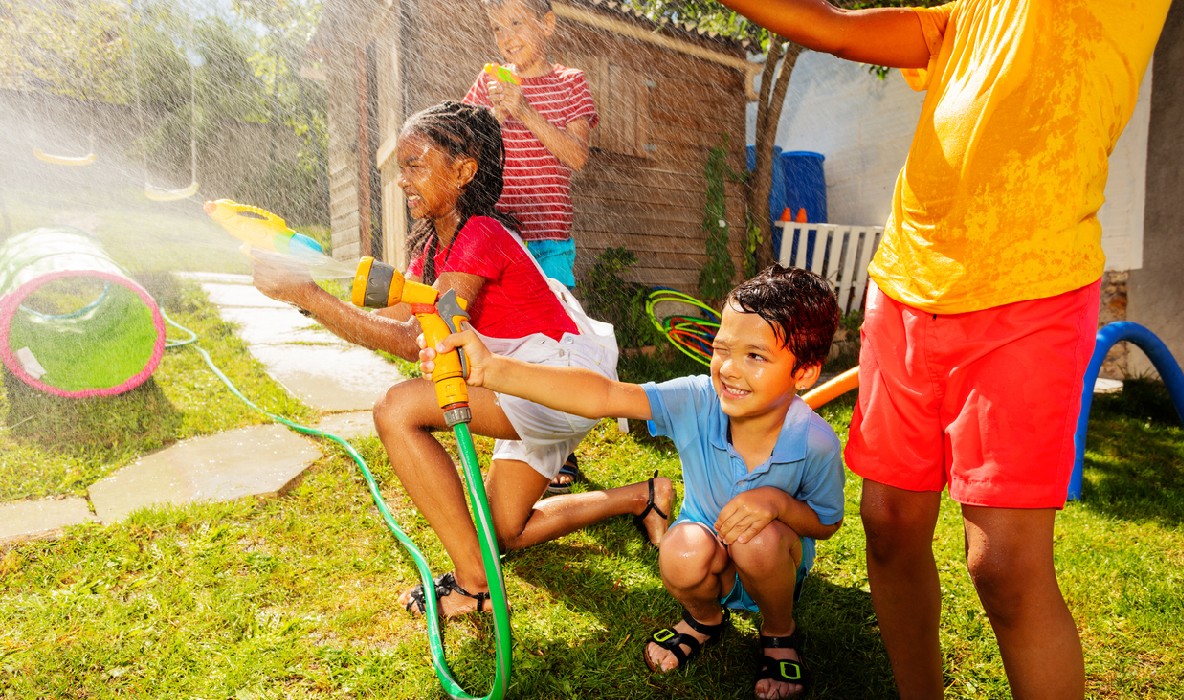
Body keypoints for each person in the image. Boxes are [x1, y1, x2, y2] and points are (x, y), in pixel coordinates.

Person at [714, 1, 1173, 697]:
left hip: (1031, 294)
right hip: (906, 287)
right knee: (890, 523)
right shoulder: (961, 17)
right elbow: (832, 26)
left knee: (1004, 565)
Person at [251, 101, 674, 618]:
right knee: (503, 532)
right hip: (518, 382)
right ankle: (643, 496)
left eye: (415, 164)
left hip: (556, 382)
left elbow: (410, 340)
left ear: (463, 170)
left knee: (397, 408)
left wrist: (313, 297)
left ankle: (473, 586)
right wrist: (305, 277)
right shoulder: (433, 248)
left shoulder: (481, 236)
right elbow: (397, 309)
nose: (402, 179)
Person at [420, 264, 846, 700]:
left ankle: (778, 633)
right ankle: (704, 619)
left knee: (759, 542)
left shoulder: (814, 442)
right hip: (707, 550)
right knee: (679, 552)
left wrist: (777, 504)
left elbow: (826, 523)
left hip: (772, 564)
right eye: (722, 349)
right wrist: (493, 370)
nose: (730, 369)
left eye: (755, 356)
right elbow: (605, 395)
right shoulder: (698, 400)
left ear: (804, 373)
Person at [464, 0, 599, 494]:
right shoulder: (489, 79)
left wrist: (523, 109)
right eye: (496, 28)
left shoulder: (570, 82)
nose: (505, 36)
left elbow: (577, 156)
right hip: (502, 236)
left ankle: (561, 452)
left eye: (516, 23)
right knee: (509, 337)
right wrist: (491, 118)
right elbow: (466, 140)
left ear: (547, 24)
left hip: (549, 237)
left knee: (555, 344)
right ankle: (519, 440)